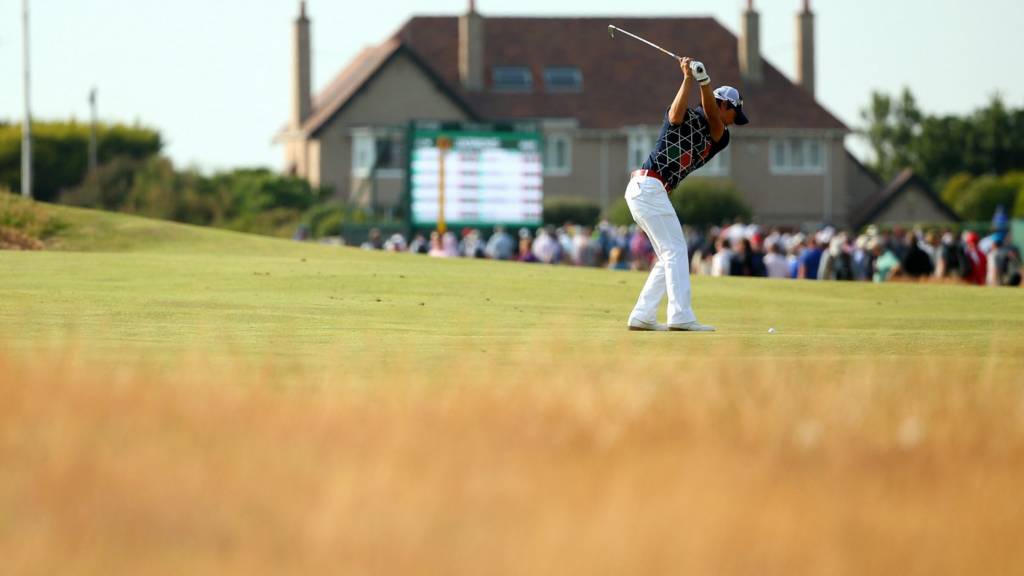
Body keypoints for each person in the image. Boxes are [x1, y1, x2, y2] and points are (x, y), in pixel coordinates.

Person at [622, 56, 748, 331]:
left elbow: (714, 119)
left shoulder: (720, 135)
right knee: (676, 250)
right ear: (725, 104)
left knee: (669, 253)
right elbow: (675, 115)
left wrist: (704, 81)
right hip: (648, 186)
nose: (732, 121)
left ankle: (642, 315)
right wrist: (689, 79)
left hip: (650, 191)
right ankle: (680, 315)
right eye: (733, 114)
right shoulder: (685, 114)